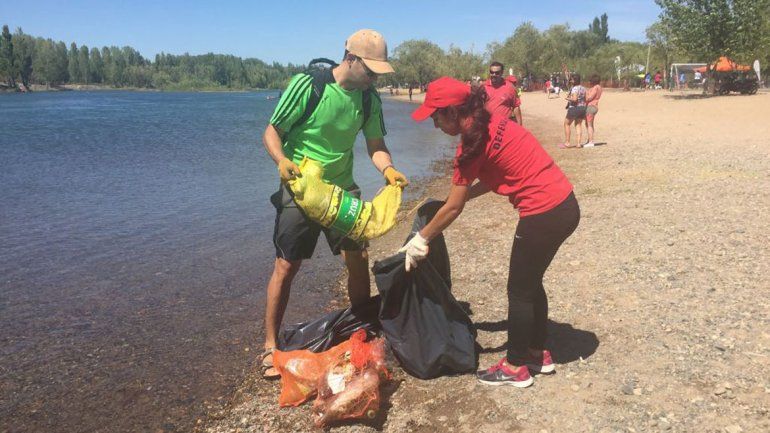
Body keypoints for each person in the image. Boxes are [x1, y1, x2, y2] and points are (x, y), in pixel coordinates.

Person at [403, 76, 580, 387]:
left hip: (543, 213)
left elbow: (453, 209)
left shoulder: (469, 148)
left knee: (519, 291)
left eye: (436, 116)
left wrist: (421, 238)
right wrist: (458, 198)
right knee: (530, 283)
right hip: (564, 204)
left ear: (453, 112)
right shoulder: (493, 123)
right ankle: (537, 353)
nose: (434, 124)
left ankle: (515, 366)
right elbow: (492, 178)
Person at [259, 29, 408, 378]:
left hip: (341, 191)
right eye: (370, 71)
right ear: (350, 59)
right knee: (286, 265)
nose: (374, 79)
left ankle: (362, 330)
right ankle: (269, 346)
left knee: (358, 258)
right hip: (301, 187)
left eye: (378, 73)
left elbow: (376, 145)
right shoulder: (308, 85)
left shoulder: (369, 99)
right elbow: (272, 131)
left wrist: (388, 169)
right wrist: (281, 160)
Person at [559, 74, 587, 148]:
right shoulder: (583, 88)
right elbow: (585, 99)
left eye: (571, 80)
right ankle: (578, 143)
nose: (571, 81)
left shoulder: (574, 88)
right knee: (578, 124)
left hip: (574, 108)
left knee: (566, 124)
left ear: (574, 80)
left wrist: (568, 98)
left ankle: (567, 143)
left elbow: (575, 99)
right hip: (582, 108)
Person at [584, 74, 602, 148]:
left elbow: (589, 98)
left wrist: (585, 93)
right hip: (594, 106)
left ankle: (591, 142)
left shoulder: (595, 87)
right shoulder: (599, 87)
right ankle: (589, 140)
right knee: (589, 124)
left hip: (591, 106)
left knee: (589, 125)